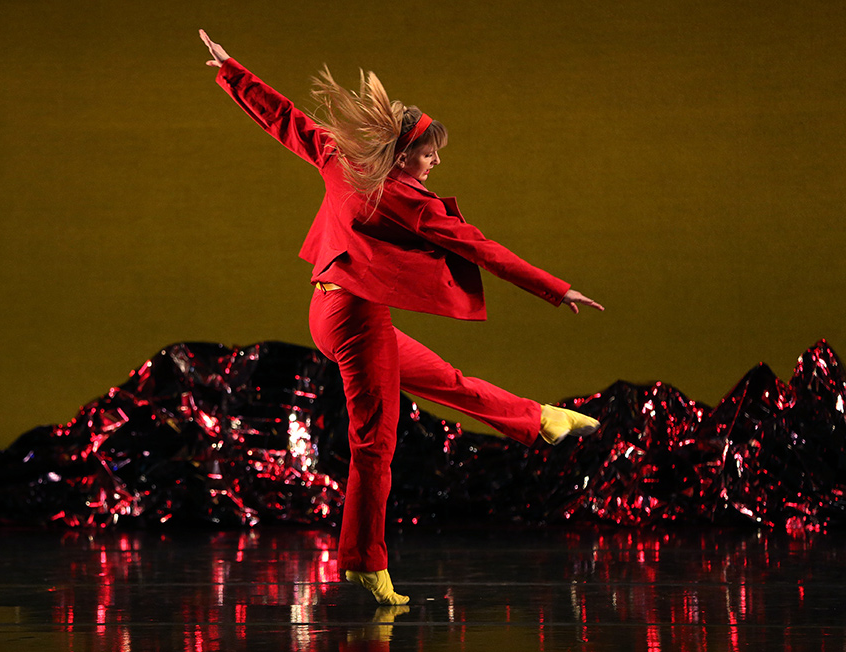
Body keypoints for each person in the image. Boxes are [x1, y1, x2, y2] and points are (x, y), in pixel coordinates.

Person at [199, 30, 603, 605]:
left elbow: (283, 120)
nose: (436, 161)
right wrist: (557, 289)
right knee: (375, 443)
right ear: (401, 152)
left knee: (444, 379)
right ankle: (364, 561)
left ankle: (537, 419)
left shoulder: (341, 162)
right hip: (356, 316)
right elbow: (483, 249)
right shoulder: (408, 200)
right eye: (428, 152)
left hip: (328, 309)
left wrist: (233, 73)